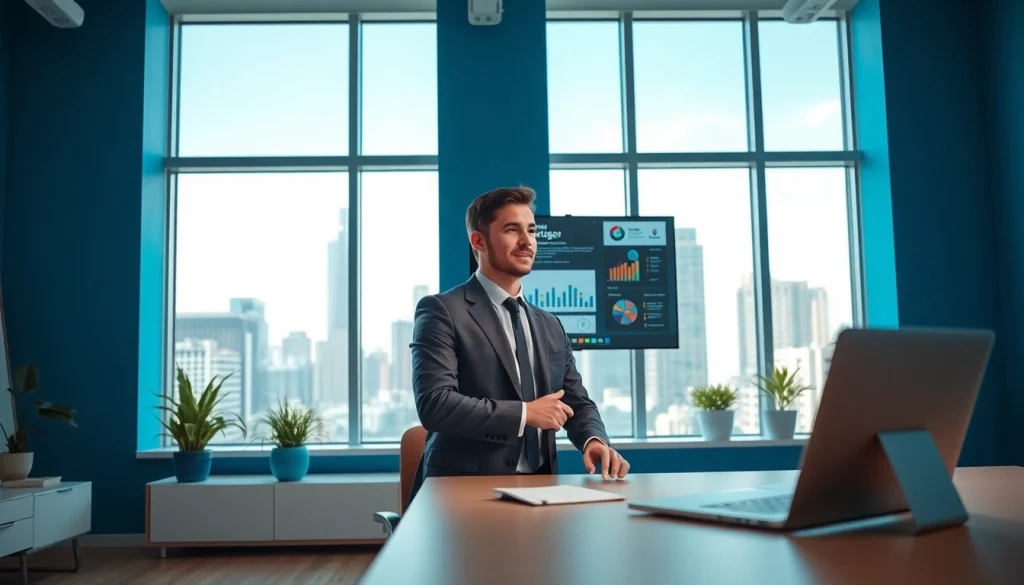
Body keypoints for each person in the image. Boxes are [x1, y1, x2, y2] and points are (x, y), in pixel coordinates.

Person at [408, 185, 629, 501]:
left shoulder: (550, 324)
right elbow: (435, 404)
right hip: (464, 492)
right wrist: (525, 414)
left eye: (532, 231)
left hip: (543, 490)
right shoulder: (442, 310)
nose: (528, 242)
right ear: (478, 241)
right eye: (512, 230)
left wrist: (594, 440)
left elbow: (576, 401)